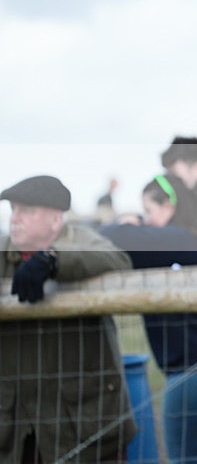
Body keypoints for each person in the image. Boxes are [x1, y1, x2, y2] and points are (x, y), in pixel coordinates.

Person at [101, 174, 197, 464]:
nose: (146, 220)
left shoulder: (177, 237)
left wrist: (127, 221)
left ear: (168, 205)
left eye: (149, 210)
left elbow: (112, 237)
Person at [0, 175, 137, 463]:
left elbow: (117, 259)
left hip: (83, 424)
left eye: (27, 211)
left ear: (54, 219)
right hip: (19, 428)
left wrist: (52, 260)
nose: (16, 219)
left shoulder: (83, 241)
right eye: (13, 210)